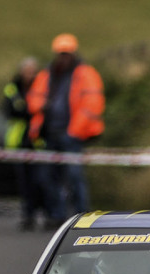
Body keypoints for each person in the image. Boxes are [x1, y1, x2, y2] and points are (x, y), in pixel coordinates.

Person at [27, 34, 105, 223]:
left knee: (74, 176)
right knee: (46, 177)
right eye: (61, 53)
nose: (63, 57)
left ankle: (82, 216)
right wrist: (41, 106)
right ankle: (57, 215)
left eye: (67, 53)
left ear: (74, 53)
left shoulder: (86, 73)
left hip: (72, 136)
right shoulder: (47, 75)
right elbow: (33, 99)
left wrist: (73, 132)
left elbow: (92, 105)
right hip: (49, 135)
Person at [3, 57, 44, 231]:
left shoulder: (41, 87)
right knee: (24, 183)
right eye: (27, 71)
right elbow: (10, 111)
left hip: (38, 143)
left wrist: (25, 110)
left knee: (40, 181)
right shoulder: (12, 88)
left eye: (32, 71)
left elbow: (41, 110)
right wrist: (28, 111)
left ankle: (45, 213)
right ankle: (28, 215)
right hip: (19, 142)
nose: (29, 74)